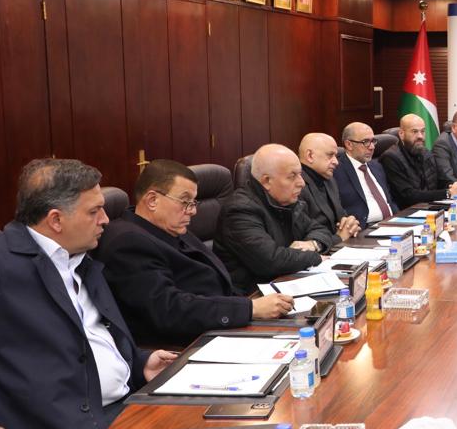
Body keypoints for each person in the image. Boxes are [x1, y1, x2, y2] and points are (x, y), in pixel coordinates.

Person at [0, 159, 176, 429]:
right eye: (94, 211)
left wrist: (139, 362)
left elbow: (85, 340)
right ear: (56, 219)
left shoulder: (80, 257)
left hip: (129, 412)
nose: (105, 219)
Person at [96, 160, 295, 346]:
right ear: (152, 200)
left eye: (193, 202)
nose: (193, 211)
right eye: (185, 202)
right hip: (186, 346)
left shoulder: (168, 227)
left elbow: (215, 282)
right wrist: (250, 309)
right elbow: (170, 310)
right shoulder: (127, 242)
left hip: (221, 325)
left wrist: (253, 305)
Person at [214, 144, 334, 294]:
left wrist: (312, 244)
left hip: (286, 283)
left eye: (300, 174)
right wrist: (314, 257)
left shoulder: (286, 201)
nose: (302, 183)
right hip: (254, 296)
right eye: (292, 176)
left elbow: (319, 229)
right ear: (266, 181)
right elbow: (271, 261)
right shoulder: (240, 210)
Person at [381, 113, 457, 209]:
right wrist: (448, 193)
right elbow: (408, 195)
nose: (420, 136)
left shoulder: (425, 152)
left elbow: (439, 181)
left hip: (430, 206)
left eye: (423, 131)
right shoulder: (391, 158)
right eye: (414, 131)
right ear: (401, 134)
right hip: (408, 211)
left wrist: (456, 186)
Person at [297, 132, 361, 245]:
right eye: (330, 155)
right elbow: (305, 237)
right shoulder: (296, 186)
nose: (336, 162)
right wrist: (339, 237)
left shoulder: (329, 179)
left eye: (336, 156)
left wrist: (349, 223)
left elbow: (341, 216)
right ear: (310, 155)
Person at [333, 122, 398, 229]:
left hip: (392, 223)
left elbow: (390, 200)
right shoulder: (336, 171)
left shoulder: (376, 165)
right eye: (366, 142)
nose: (372, 147)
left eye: (373, 141)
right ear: (349, 144)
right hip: (365, 229)